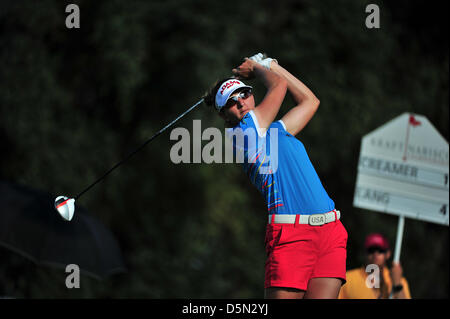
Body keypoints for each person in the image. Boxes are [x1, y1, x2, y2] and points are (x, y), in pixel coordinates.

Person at [203, 53, 348, 299]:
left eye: (244, 93)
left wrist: (273, 66)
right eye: (231, 102)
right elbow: (278, 86)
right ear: (223, 115)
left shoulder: (275, 130)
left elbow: (310, 101)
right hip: (291, 236)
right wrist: (258, 68)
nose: (240, 102)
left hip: (329, 231)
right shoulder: (241, 135)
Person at [339, 233, 411, 299]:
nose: (375, 254)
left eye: (380, 250)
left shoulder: (399, 281)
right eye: (371, 250)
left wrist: (397, 285)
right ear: (365, 253)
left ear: (388, 254)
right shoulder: (347, 279)